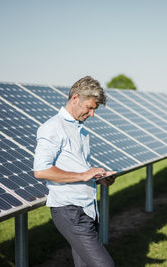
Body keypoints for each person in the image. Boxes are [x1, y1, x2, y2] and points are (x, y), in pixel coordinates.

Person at [33, 76, 116, 267]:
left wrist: (98, 178)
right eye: (90, 107)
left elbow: (77, 167)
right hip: (69, 210)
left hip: (87, 208)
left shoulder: (81, 131)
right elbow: (41, 170)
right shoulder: (52, 128)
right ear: (75, 98)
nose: (92, 114)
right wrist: (83, 175)